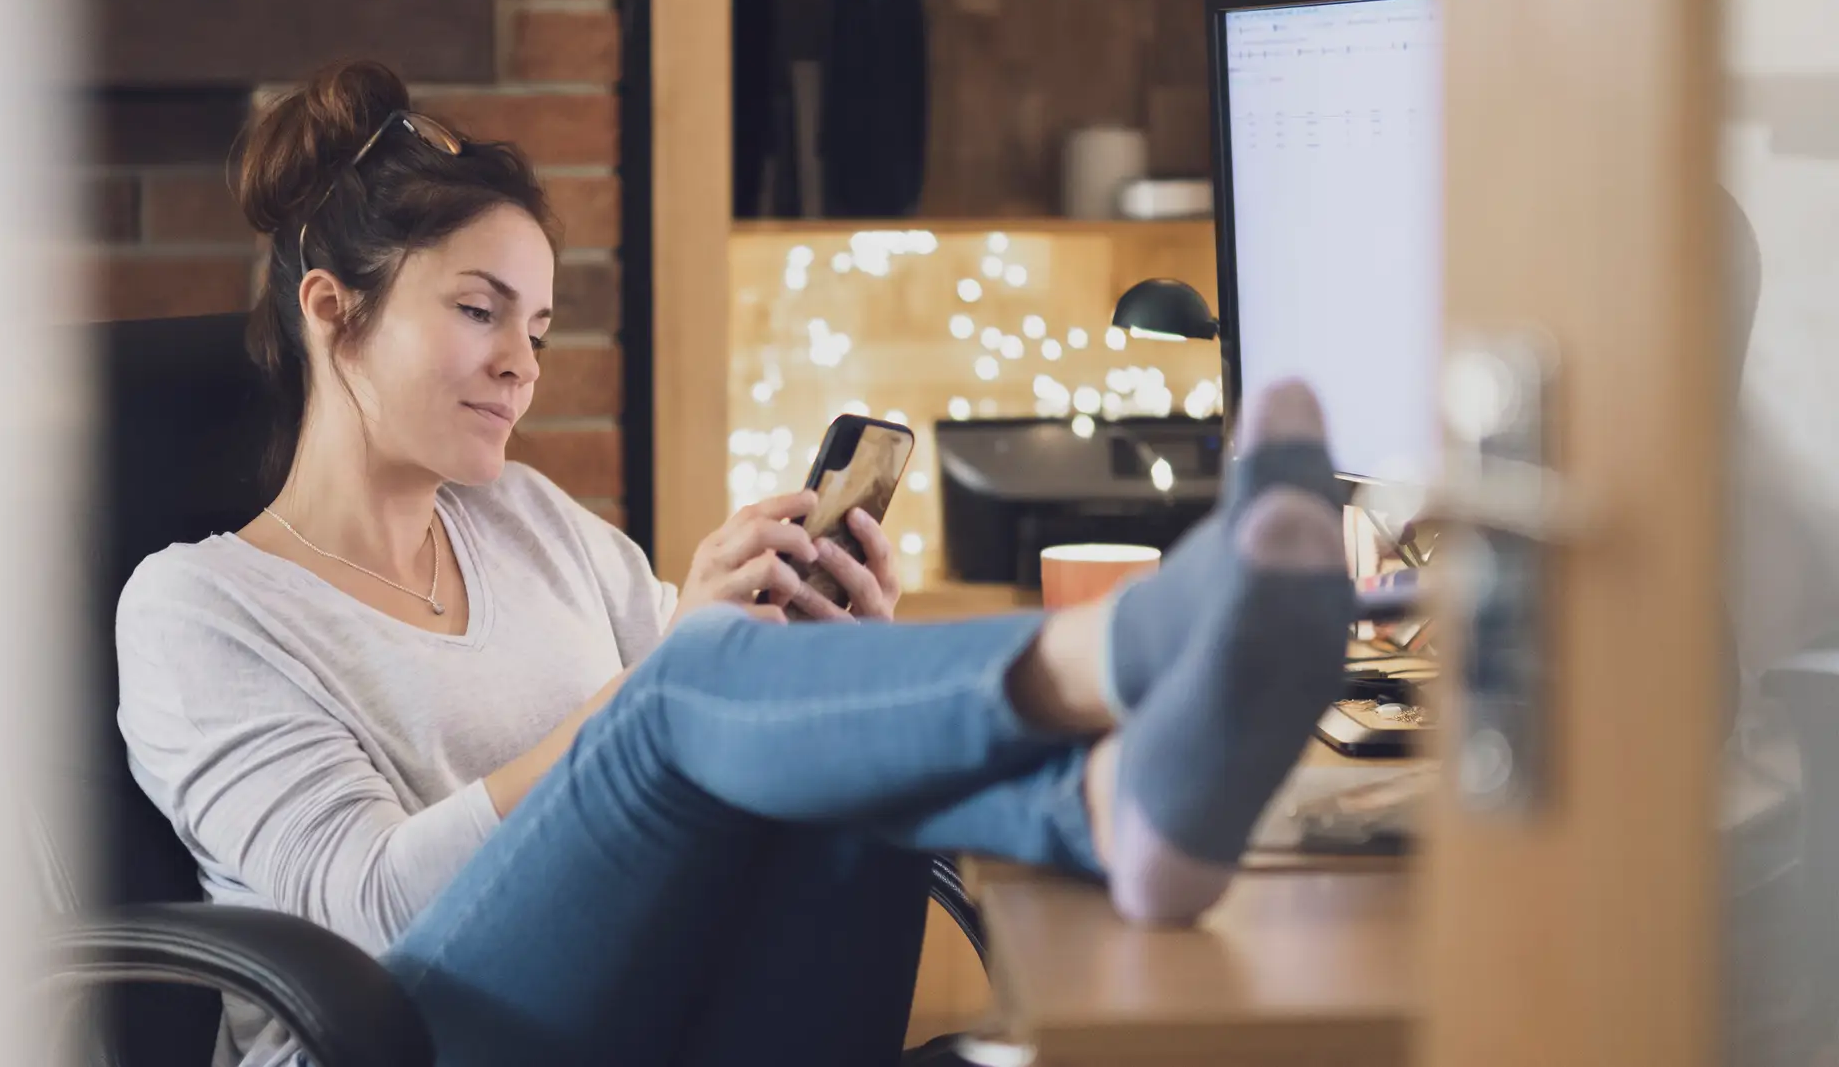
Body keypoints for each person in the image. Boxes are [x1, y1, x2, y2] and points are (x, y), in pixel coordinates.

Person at [116, 61, 1355, 1067]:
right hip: (404, 1043)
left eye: (538, 328)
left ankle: (1109, 806)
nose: (522, 366)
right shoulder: (200, 607)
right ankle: (1133, 651)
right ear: (331, 309)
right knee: (687, 688)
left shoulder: (530, 522)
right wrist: (657, 687)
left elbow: (717, 742)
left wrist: (824, 650)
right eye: (479, 311)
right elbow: (361, 914)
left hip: (651, 1006)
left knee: (812, 741)